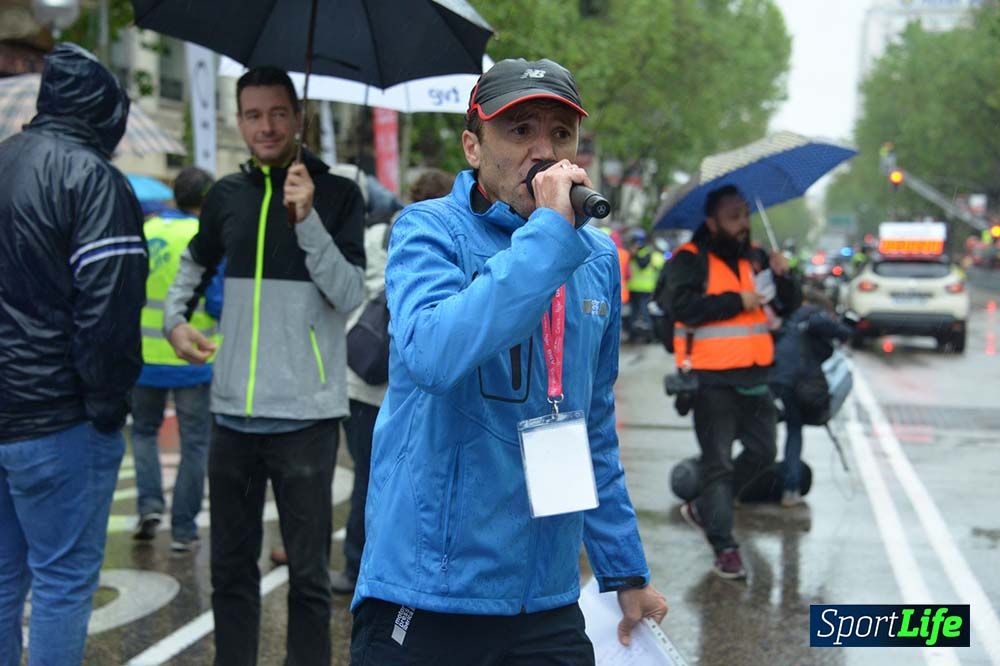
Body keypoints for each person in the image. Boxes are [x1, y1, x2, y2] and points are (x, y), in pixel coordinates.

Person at [350, 57, 667, 665]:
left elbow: (592, 428)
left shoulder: (596, 259)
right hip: (431, 592)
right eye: (520, 131)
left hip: (543, 599)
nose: (544, 152)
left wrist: (624, 570)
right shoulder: (427, 231)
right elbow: (434, 353)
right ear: (474, 146)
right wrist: (549, 234)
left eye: (560, 134)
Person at [163, 66, 365, 665]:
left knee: (307, 579)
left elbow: (349, 293)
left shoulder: (339, 194)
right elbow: (194, 267)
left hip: (306, 419)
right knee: (229, 570)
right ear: (239, 120)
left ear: (298, 117)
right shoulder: (227, 195)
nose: (266, 126)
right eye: (253, 114)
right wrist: (175, 321)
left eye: (278, 113)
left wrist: (308, 225)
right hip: (232, 417)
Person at [0, 43, 147, 665]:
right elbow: (107, 314)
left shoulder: (5, 161)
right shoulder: (93, 179)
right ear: (104, 112)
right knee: (62, 583)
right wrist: (107, 407)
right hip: (61, 417)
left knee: (5, 581)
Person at [664, 184, 801, 579]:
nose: (743, 223)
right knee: (718, 465)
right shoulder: (691, 259)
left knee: (762, 452)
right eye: (734, 216)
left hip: (757, 375)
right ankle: (724, 546)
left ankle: (707, 507)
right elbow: (682, 307)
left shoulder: (756, 257)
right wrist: (737, 302)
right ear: (712, 222)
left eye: (745, 214)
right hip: (712, 379)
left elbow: (786, 305)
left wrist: (784, 277)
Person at [331, 168, 456, 596]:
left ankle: (361, 566)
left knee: (371, 476)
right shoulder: (447, 243)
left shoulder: (375, 236)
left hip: (360, 377)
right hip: (396, 387)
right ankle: (368, 566)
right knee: (389, 479)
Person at [132, 167, 219, 552]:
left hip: (145, 355)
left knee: (143, 433)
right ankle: (183, 530)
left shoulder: (145, 233)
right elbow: (216, 301)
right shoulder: (207, 238)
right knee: (195, 444)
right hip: (193, 357)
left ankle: (149, 506)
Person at [770, 288, 852, 507]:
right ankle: (790, 488)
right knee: (794, 431)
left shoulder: (792, 319)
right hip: (799, 381)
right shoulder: (813, 315)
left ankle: (775, 483)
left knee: (785, 428)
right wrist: (847, 330)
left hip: (779, 379)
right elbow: (834, 330)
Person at [625, 229, 665, 342]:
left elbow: (643, 265)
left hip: (645, 288)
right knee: (633, 313)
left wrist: (635, 254)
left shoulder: (647, 252)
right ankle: (632, 335)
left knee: (644, 312)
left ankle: (650, 336)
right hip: (633, 287)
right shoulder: (631, 253)